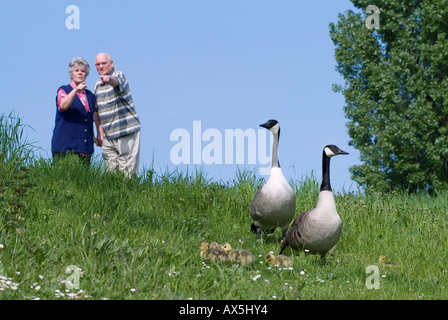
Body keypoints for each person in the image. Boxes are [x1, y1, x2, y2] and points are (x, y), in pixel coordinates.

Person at [93, 52, 141, 177]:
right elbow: (96, 112)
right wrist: (100, 134)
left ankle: (130, 194)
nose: (101, 66)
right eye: (98, 64)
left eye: (104, 63)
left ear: (111, 63)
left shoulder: (118, 75)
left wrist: (109, 79)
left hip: (126, 132)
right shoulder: (97, 86)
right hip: (109, 137)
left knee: (127, 172)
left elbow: (116, 82)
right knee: (110, 174)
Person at [51, 57, 103, 164]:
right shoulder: (63, 90)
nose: (80, 73)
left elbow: (94, 117)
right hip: (65, 147)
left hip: (85, 148)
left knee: (82, 180)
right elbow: (63, 106)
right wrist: (75, 90)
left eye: (83, 71)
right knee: (63, 179)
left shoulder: (91, 96)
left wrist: (98, 135)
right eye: (77, 70)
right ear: (71, 74)